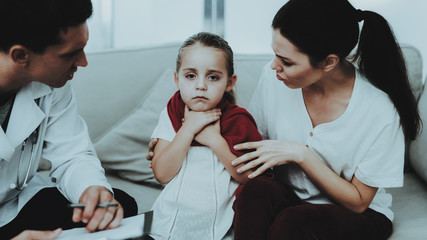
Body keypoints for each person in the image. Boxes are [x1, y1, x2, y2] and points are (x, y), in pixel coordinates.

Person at [228, 0, 422, 239]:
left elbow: (359, 202)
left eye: (287, 62)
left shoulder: (379, 110)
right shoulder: (273, 79)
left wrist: (302, 155)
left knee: (293, 223)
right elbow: (257, 150)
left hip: (358, 213)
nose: (274, 66)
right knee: (255, 192)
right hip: (290, 197)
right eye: (276, 54)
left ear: (329, 62)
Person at [0, 0, 137, 239]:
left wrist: (91, 189)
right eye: (71, 54)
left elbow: (72, 154)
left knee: (117, 208)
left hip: (12, 206)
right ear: (21, 55)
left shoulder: (51, 83)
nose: (83, 62)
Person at [147, 32, 262, 240]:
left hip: (218, 230)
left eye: (213, 77)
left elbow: (249, 177)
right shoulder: (172, 112)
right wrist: (188, 130)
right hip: (165, 226)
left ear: (229, 82)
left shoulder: (238, 120)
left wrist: (215, 141)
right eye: (190, 76)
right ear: (177, 79)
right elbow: (162, 174)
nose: (201, 85)